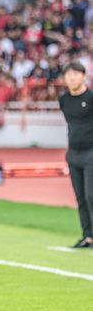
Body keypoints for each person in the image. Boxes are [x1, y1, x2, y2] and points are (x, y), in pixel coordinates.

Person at [59, 62, 93, 248]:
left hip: (91, 153)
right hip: (73, 154)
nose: (72, 78)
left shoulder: (91, 97)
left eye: (75, 74)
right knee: (80, 197)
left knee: (91, 195)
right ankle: (87, 236)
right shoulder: (64, 100)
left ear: (83, 76)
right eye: (68, 74)